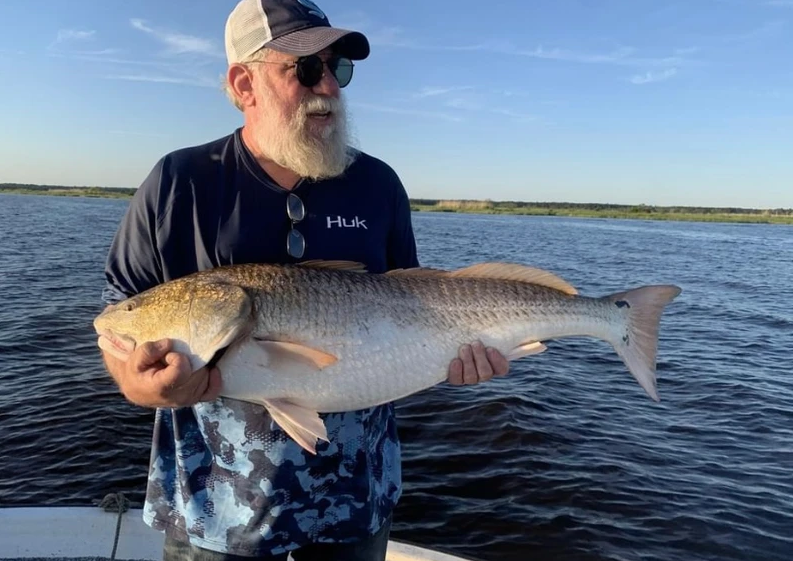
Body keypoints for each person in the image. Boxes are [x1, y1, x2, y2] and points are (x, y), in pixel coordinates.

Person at [99, 1, 510, 559]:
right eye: (307, 69)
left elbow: (416, 304)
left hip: (355, 501)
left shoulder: (378, 183)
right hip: (216, 510)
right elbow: (121, 316)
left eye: (338, 68)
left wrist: (458, 355)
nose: (330, 88)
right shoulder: (178, 182)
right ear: (244, 83)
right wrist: (141, 385)